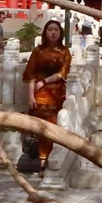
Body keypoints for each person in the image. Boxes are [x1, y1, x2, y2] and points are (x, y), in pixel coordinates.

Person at [21, 20, 72, 172]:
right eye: (50, 29)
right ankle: (42, 158)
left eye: (56, 30)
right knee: (40, 125)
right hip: (39, 93)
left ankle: (50, 156)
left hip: (57, 92)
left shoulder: (65, 52)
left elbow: (63, 73)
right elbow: (30, 74)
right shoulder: (38, 51)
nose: (53, 32)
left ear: (60, 33)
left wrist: (44, 81)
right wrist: (30, 96)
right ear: (45, 32)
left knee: (54, 124)